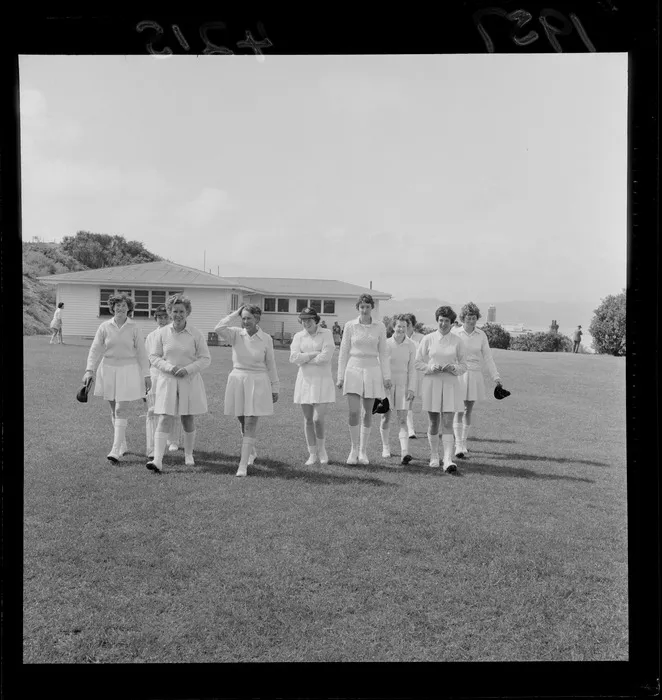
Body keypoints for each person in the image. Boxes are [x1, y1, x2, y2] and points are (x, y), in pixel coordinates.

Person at [82, 293, 151, 463]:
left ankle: (114, 450)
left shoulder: (134, 328)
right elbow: (95, 349)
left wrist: (146, 374)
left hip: (128, 370)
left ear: (129, 308)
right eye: (117, 305)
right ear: (112, 308)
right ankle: (122, 444)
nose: (120, 308)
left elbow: (142, 354)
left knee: (121, 409)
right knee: (113, 410)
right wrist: (89, 370)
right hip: (108, 369)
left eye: (124, 305)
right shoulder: (104, 327)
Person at [146, 295, 211, 473]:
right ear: (169, 312)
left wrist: (188, 369)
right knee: (165, 416)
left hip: (189, 380)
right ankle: (157, 460)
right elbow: (153, 356)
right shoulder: (161, 333)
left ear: (187, 312)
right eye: (174, 311)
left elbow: (205, 358)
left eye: (182, 311)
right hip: (167, 380)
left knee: (187, 417)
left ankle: (188, 454)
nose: (178, 315)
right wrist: (169, 367)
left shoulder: (196, 334)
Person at [214, 304, 280, 477]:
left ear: (257, 319)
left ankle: (242, 466)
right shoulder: (236, 333)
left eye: (248, 318)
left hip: (258, 381)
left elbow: (271, 364)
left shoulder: (266, 338)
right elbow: (218, 327)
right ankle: (251, 452)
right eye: (243, 318)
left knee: (251, 422)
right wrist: (235, 314)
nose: (245, 321)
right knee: (243, 421)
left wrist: (275, 386)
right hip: (238, 379)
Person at [337, 293, 392, 465]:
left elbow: (383, 353)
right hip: (353, 369)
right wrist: (340, 376)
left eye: (368, 307)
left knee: (368, 412)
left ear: (371, 308)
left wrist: (386, 376)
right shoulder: (350, 326)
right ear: (358, 308)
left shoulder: (380, 326)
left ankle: (363, 451)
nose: (365, 310)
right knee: (353, 412)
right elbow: (343, 351)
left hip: (372, 370)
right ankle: (353, 449)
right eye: (362, 307)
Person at [415, 305, 467, 473]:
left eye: (446, 321)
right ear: (437, 321)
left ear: (452, 323)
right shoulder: (428, 338)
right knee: (433, 422)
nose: (443, 324)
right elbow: (417, 362)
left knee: (447, 422)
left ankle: (447, 459)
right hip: (432, 383)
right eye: (441, 320)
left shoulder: (458, 341)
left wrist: (454, 368)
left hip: (451, 385)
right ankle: (434, 455)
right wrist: (431, 367)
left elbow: (464, 365)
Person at [451, 302, 502, 459]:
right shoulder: (455, 333)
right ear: (463, 318)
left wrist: (496, 377)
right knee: (459, 409)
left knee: (468, 410)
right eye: (468, 318)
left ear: (477, 318)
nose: (471, 321)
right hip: (459, 374)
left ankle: (463, 442)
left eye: (473, 318)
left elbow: (487, 357)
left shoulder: (481, 335)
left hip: (474, 375)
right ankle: (458, 444)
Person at [289, 307, 336, 465]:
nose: (306, 322)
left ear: (316, 320)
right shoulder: (298, 336)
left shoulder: (326, 333)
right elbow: (294, 357)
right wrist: (313, 354)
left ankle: (322, 450)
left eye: (309, 319)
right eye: (303, 320)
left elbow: (326, 357)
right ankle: (312, 453)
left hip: (322, 381)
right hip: (305, 381)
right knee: (308, 419)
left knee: (318, 419)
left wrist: (305, 359)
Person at [144, 305, 184, 460]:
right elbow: (147, 359)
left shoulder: (175, 334)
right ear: (155, 319)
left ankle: (173, 440)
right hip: (154, 374)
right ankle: (152, 447)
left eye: (164, 317)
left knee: (172, 409)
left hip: (171, 375)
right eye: (159, 317)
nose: (162, 320)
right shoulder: (151, 336)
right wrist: (145, 378)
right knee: (152, 411)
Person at [380, 314, 417, 465]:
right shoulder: (386, 344)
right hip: (387, 386)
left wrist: (412, 389)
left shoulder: (411, 345)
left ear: (407, 328)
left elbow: (413, 369)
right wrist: (384, 380)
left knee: (402, 419)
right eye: (398, 326)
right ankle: (386, 447)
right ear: (393, 327)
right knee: (385, 417)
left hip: (403, 385)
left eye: (404, 326)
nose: (401, 329)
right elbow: (381, 364)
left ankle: (404, 452)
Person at [404, 313, 425, 439]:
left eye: (408, 325)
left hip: (421, 373)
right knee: (409, 401)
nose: (406, 327)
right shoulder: (400, 338)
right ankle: (410, 429)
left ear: (413, 325)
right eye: (404, 325)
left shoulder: (422, 338)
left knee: (427, 400)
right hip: (408, 374)